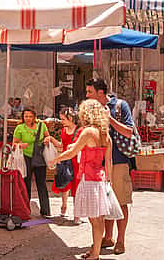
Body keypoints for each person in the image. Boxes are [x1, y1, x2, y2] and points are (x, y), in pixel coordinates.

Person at [51, 99, 114, 260]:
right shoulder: (105, 135)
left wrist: (55, 160)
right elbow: (108, 162)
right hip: (100, 179)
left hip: (88, 178)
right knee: (98, 219)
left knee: (94, 219)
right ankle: (95, 251)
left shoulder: (88, 132)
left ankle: (95, 254)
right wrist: (109, 182)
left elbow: (71, 153)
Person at [85, 79, 133, 255]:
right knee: (102, 203)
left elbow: (128, 131)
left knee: (121, 202)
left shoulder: (121, 106)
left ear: (100, 93)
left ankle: (120, 240)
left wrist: (109, 119)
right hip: (98, 164)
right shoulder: (90, 109)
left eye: (90, 92)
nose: (87, 95)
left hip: (119, 162)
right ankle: (107, 237)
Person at [44, 107, 82, 224]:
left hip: (76, 161)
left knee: (76, 187)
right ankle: (64, 206)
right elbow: (61, 145)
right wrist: (50, 139)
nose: (61, 122)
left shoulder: (80, 131)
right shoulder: (64, 131)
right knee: (64, 184)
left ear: (70, 118)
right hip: (65, 160)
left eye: (63, 119)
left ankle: (77, 214)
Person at [13, 107, 51, 217]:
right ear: (23, 117)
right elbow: (14, 144)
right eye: (26, 116)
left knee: (41, 184)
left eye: (30, 116)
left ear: (34, 117)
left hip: (39, 158)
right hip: (26, 158)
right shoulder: (19, 128)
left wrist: (47, 139)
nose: (28, 119)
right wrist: (20, 145)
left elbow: (47, 136)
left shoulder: (41, 126)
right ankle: (25, 210)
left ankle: (45, 210)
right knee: (26, 184)